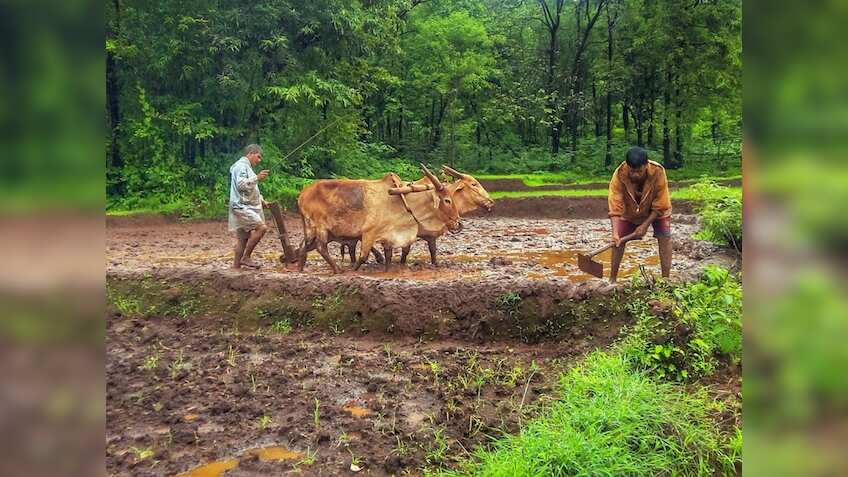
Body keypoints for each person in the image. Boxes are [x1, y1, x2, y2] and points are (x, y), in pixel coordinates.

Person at [607, 146, 672, 283]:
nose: (635, 174)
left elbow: (661, 203)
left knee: (664, 237)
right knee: (618, 241)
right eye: (632, 171)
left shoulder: (658, 171)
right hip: (630, 209)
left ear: (646, 165)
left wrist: (645, 225)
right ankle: (612, 280)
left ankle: (666, 280)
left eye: (639, 171)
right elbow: (615, 204)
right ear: (627, 166)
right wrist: (615, 233)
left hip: (657, 211)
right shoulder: (620, 174)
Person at [229, 144, 270, 269]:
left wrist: (261, 200)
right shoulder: (241, 167)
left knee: (243, 239)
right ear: (251, 153)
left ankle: (236, 269)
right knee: (262, 228)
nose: (259, 160)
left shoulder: (246, 167)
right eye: (258, 157)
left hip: (241, 206)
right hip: (241, 207)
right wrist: (257, 177)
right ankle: (246, 257)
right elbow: (241, 185)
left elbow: (251, 190)